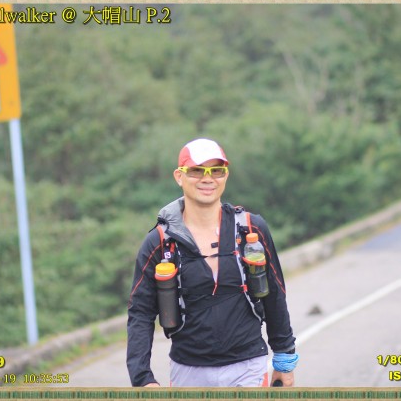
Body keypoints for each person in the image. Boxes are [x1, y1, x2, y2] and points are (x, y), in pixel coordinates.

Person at [127, 138, 298, 387]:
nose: (208, 179)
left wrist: (284, 359)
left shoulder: (251, 229)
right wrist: (142, 378)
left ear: (225, 175)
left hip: (248, 367)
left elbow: (275, 294)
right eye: (197, 170)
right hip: (188, 371)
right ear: (179, 176)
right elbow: (141, 312)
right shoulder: (160, 242)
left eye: (216, 171)